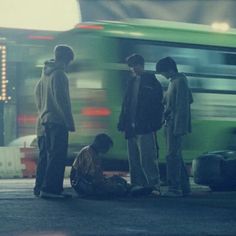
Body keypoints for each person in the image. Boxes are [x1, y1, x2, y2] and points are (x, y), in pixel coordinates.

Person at [117, 54, 164, 196]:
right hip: (131, 126)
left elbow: (157, 104)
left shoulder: (150, 80)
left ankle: (153, 185)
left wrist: (154, 123)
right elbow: (125, 103)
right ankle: (137, 184)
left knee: (147, 157)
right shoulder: (131, 81)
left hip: (145, 126)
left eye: (134, 66)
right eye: (131, 67)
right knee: (134, 158)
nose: (133, 69)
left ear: (141, 65)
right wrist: (122, 121)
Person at [34, 44, 75, 199]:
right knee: (57, 156)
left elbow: (37, 93)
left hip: (45, 120)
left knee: (46, 156)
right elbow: (62, 100)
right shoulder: (59, 75)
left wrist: (42, 111)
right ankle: (52, 189)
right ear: (66, 59)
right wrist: (69, 121)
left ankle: (39, 187)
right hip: (57, 120)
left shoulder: (45, 74)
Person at [156, 57, 193, 197]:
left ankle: (174, 188)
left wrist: (179, 127)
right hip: (171, 124)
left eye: (163, 72)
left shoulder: (180, 81)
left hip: (175, 125)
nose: (163, 75)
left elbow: (183, 106)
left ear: (170, 69)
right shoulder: (174, 81)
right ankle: (185, 187)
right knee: (177, 156)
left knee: (172, 156)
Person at [70, 133, 130, 198]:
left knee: (116, 180)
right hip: (83, 184)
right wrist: (112, 184)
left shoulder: (89, 150)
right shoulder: (91, 155)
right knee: (118, 188)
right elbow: (96, 179)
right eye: (107, 147)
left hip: (80, 182)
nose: (108, 150)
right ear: (102, 145)